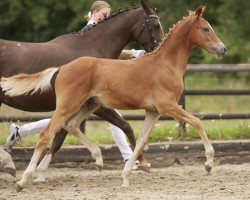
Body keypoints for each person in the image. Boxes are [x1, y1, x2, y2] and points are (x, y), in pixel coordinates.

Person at [6, 1, 147, 169]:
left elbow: (109, 51)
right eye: (104, 14)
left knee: (68, 118)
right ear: (94, 13)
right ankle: (129, 156)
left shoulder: (102, 32)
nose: (107, 18)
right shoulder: (90, 30)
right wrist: (132, 53)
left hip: (89, 85)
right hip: (79, 83)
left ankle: (21, 132)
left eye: (109, 15)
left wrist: (132, 52)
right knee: (69, 117)